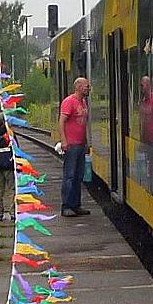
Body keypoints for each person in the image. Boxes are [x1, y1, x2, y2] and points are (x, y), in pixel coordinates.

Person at [58, 76, 91, 217]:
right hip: (71, 145)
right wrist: (64, 141)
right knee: (69, 176)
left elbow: (83, 124)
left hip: (81, 144)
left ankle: (76, 205)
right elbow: (62, 122)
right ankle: (66, 205)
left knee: (79, 176)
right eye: (86, 86)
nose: (88, 88)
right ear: (78, 87)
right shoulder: (69, 102)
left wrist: (86, 142)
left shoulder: (83, 102)